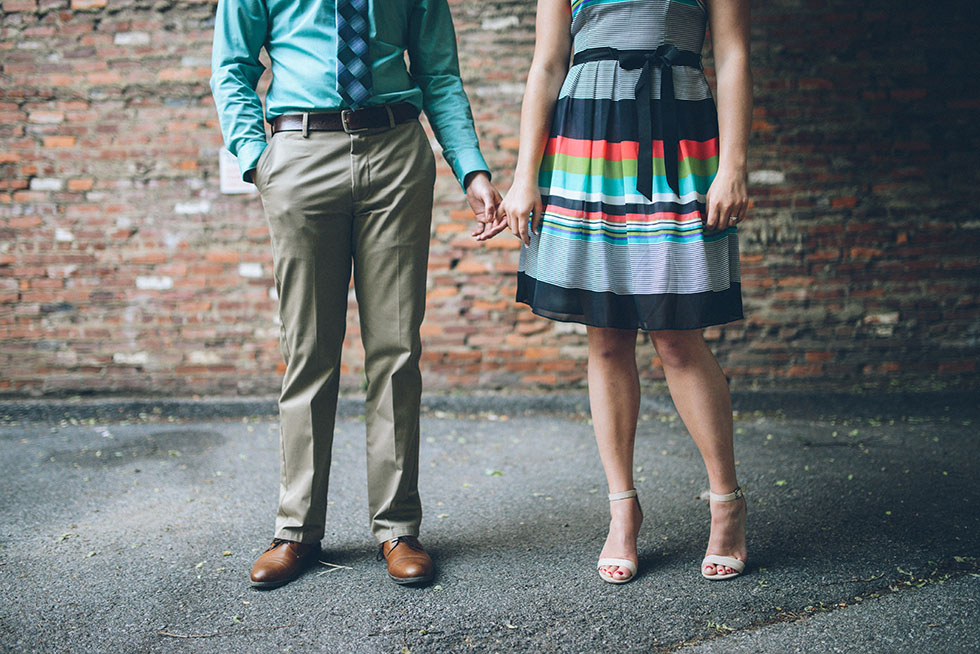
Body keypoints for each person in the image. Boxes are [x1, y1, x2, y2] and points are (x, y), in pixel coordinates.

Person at [210, 0, 504, 588]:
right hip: (299, 153)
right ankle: (295, 531)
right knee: (309, 352)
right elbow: (232, 66)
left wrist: (471, 169)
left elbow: (439, 73)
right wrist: (255, 158)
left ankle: (398, 528)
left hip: (396, 152)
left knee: (396, 351)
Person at [497, 0, 752, 583]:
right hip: (585, 139)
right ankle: (622, 509)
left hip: (677, 138)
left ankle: (726, 502)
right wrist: (523, 175)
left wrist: (733, 161)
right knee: (606, 337)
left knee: (676, 336)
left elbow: (733, 52)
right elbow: (547, 63)